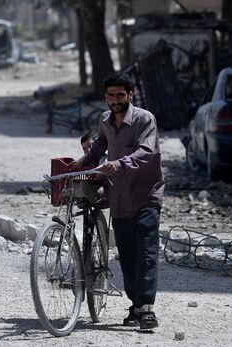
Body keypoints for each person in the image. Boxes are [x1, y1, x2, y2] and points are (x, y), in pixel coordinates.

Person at [69, 72, 164, 330]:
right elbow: (100, 145)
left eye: (120, 95)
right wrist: (82, 162)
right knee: (127, 256)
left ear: (129, 95)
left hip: (145, 196)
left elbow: (146, 152)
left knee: (146, 254)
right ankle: (136, 306)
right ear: (105, 97)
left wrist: (118, 163)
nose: (115, 100)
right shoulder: (104, 121)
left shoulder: (145, 120)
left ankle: (146, 310)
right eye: (110, 95)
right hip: (119, 198)